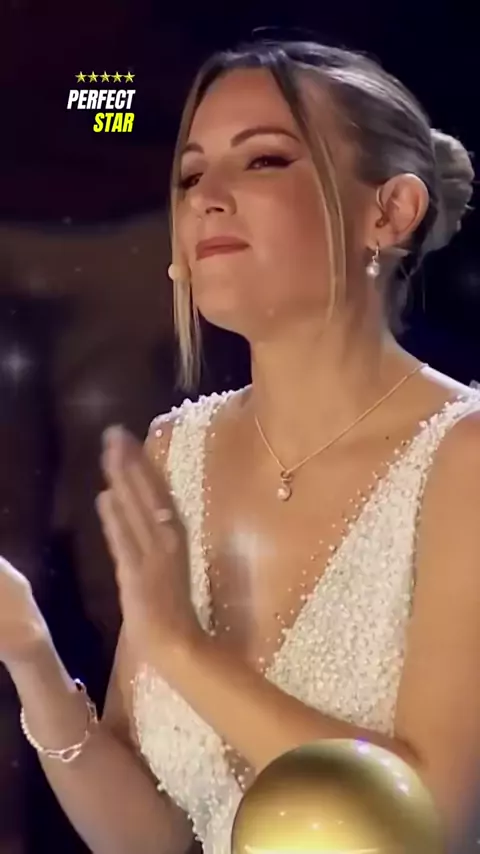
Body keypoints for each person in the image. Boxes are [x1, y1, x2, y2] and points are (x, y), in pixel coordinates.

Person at [0, 38, 479, 854]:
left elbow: (426, 824)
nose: (207, 201)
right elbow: (154, 838)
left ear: (390, 212)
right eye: (190, 176)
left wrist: (181, 647)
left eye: (263, 160)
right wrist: (31, 656)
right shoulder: (174, 452)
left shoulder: (463, 460)